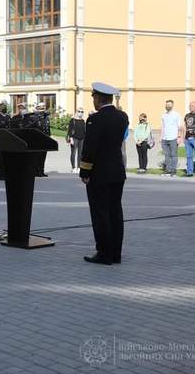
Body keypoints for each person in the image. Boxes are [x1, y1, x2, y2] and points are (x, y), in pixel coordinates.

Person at [79, 82, 129, 265]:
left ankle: (104, 253)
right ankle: (116, 253)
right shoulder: (123, 117)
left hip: (99, 174)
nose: (93, 100)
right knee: (115, 212)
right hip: (117, 172)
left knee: (100, 214)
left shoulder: (95, 119)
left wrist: (84, 170)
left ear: (98, 98)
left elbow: (89, 148)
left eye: (93, 97)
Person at [160, 99, 181, 176]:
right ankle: (168, 170)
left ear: (172, 105)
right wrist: (161, 137)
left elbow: (179, 127)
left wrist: (179, 137)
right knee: (166, 155)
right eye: (166, 105)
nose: (167, 106)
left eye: (169, 105)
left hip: (173, 137)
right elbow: (162, 126)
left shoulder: (176, 115)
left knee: (173, 154)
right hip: (164, 138)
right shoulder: (163, 115)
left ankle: (173, 170)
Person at [32, 102, 51, 177]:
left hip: (45, 139)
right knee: (37, 156)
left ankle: (41, 171)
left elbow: (47, 128)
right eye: (41, 107)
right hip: (38, 139)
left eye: (44, 107)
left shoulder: (46, 117)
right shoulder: (34, 117)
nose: (43, 108)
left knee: (43, 156)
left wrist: (49, 137)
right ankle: (36, 171)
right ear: (37, 108)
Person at [66, 107, 86, 173]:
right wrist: (71, 138)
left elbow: (84, 131)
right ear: (76, 112)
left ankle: (79, 167)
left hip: (82, 139)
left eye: (82, 112)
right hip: (74, 138)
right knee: (73, 153)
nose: (80, 113)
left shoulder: (83, 121)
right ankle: (73, 167)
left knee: (80, 154)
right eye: (79, 111)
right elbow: (69, 130)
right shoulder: (73, 120)